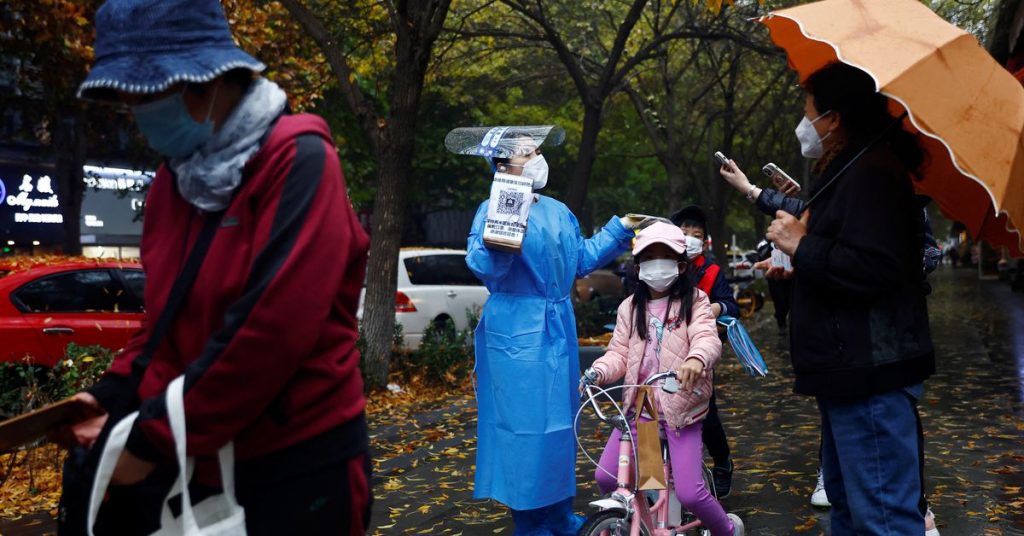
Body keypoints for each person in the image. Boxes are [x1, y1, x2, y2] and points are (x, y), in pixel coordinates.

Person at [54, 1, 372, 534]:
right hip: (196, 459)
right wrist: (111, 393)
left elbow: (270, 333)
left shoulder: (300, 160)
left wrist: (151, 440)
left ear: (204, 82)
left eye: (144, 96)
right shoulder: (173, 182)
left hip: (295, 464)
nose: (137, 114)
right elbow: (166, 325)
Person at [748, 62, 936, 535]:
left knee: (883, 520)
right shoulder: (849, 167)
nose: (802, 122)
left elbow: (877, 267)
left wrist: (801, 245)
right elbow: (847, 257)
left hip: (869, 377)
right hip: (846, 373)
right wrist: (796, 265)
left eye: (807, 110)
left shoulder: (871, 172)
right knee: (851, 515)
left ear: (833, 117)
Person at [465, 134, 638, 535]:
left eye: (538, 150)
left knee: (561, 426)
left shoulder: (559, 210)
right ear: (504, 165)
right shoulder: (493, 207)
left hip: (558, 328)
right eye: (530, 153)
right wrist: (501, 235)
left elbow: (580, 259)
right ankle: (528, 522)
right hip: (515, 332)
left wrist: (620, 228)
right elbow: (483, 264)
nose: (539, 158)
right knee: (523, 431)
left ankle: (560, 517)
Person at [584, 222, 744, 536]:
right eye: (649, 257)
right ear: (638, 266)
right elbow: (618, 352)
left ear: (681, 265)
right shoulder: (630, 308)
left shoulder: (695, 301)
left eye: (665, 257)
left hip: (681, 410)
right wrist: (598, 371)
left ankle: (726, 529)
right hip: (642, 410)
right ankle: (641, 523)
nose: (656, 264)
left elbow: (706, 339)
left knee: (689, 492)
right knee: (610, 478)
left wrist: (696, 359)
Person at [668, 205, 739, 499]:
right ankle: (664, 477)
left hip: (698, 352)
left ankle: (722, 462)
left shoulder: (711, 272)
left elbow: (731, 306)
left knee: (707, 416)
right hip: (659, 351)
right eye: (685, 232)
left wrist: (716, 307)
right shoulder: (660, 265)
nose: (690, 238)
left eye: (697, 234)